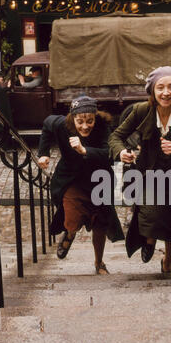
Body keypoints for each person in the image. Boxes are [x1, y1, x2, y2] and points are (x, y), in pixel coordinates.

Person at [109, 66, 171, 273]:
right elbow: (115, 137)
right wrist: (121, 153)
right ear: (152, 90)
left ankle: (168, 260)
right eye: (160, 87)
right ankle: (149, 239)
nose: (166, 92)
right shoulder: (141, 111)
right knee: (151, 212)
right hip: (148, 174)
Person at [37, 95, 124, 274]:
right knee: (72, 217)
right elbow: (46, 123)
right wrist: (43, 153)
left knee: (100, 224)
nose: (85, 126)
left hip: (98, 180)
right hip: (72, 179)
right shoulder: (61, 124)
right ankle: (69, 233)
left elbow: (109, 152)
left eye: (90, 121)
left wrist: (85, 150)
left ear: (95, 117)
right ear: (72, 119)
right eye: (80, 122)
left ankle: (99, 262)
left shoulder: (103, 127)